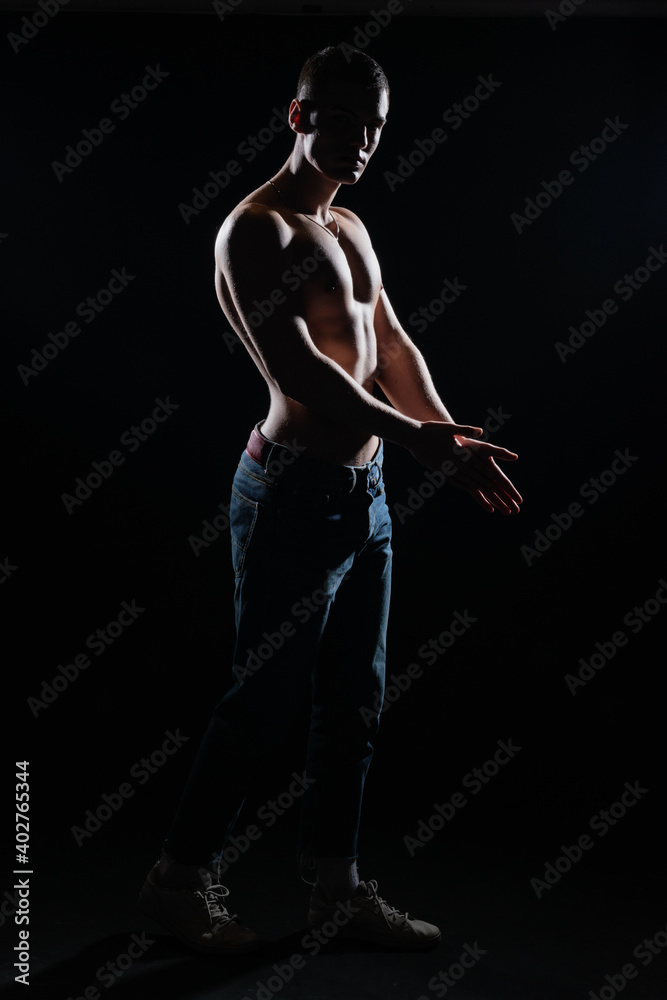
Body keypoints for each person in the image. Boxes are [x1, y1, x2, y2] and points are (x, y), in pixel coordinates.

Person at [139, 45, 522, 956]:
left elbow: (388, 339)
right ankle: (175, 885)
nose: (360, 143)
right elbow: (300, 372)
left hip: (367, 493)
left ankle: (335, 891)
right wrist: (422, 442)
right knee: (262, 702)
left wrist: (446, 433)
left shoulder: (348, 226)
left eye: (376, 128)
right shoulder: (255, 232)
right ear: (298, 116)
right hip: (291, 493)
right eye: (342, 123)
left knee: (357, 700)